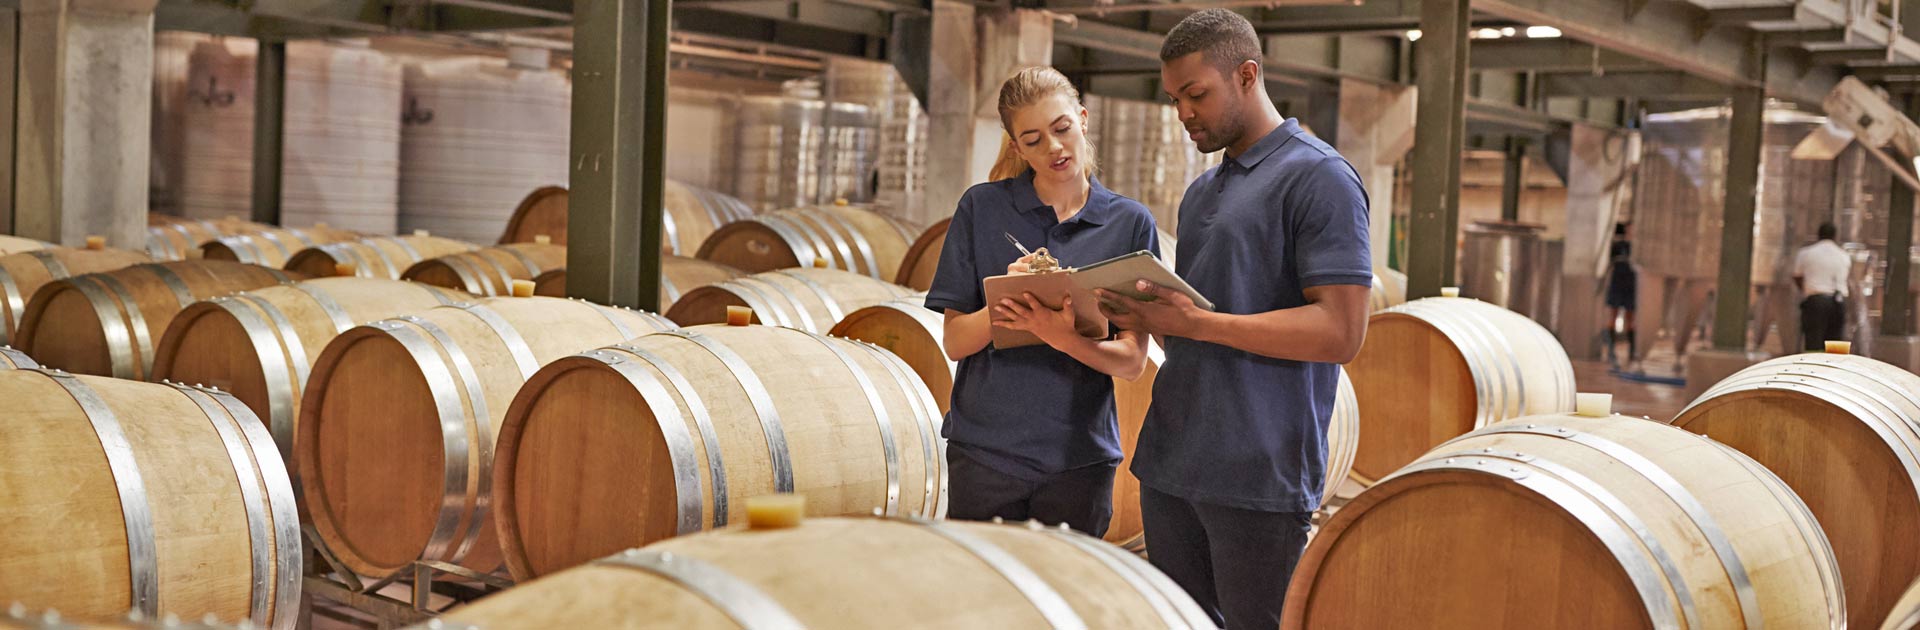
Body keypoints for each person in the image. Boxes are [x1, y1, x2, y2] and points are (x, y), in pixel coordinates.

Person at [1094, 9, 1372, 628]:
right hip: (1172, 461)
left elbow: (1341, 332)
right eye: (1174, 99)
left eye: (1197, 95)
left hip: (1258, 471)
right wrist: (1141, 314)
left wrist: (1201, 325)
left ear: (1247, 75)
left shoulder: (1319, 177)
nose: (1184, 113)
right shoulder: (1202, 193)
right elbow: (1198, 320)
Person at [921, 66, 1160, 536]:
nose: (1052, 147)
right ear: (1016, 147)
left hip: (1079, 462)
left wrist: (1060, 335)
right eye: (1032, 140)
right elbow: (954, 341)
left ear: (1083, 120)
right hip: (985, 455)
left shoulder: (1129, 223)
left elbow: (1132, 361)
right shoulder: (982, 208)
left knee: (1063, 603)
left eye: (1061, 129)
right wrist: (1004, 306)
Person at [1793, 221, 1851, 351]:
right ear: (1835, 236)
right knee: (1835, 348)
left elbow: (1797, 276)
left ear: (1818, 235)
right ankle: (1833, 369)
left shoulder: (1806, 253)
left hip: (1815, 302)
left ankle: (1814, 369)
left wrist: (1805, 290)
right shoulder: (1843, 255)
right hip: (1838, 302)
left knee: (1814, 342)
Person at [1605, 222, 1638, 368]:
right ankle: (1611, 352)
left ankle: (1632, 353)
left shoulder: (1638, 247)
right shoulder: (1617, 246)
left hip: (1631, 285)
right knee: (1613, 316)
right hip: (1617, 283)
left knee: (1630, 319)